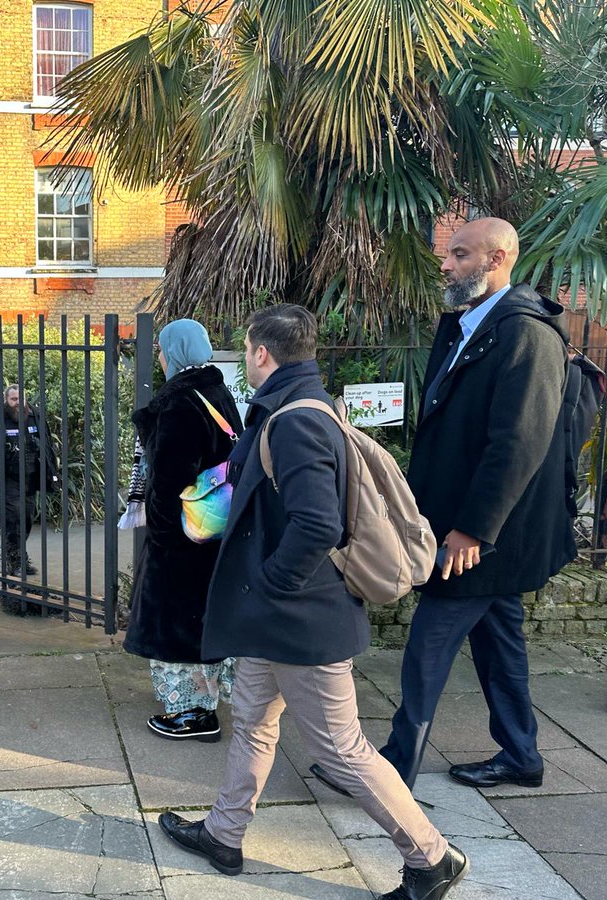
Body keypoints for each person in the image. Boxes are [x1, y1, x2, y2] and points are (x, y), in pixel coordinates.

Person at [159, 304, 468, 900]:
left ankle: (431, 857)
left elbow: (318, 524)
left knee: (342, 749)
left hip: (299, 620)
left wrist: (272, 584)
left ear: (260, 353)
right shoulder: (296, 405)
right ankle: (224, 834)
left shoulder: (297, 420)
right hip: (275, 620)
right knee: (252, 722)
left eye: (246, 349)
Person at [374, 217, 574, 791]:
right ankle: (522, 755)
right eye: (449, 254)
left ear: (497, 259)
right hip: (473, 530)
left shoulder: (526, 334)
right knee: (499, 643)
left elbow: (518, 443)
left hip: (481, 536)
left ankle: (391, 769)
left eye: (460, 254)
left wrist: (472, 530)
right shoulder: (469, 324)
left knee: (427, 646)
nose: (446, 264)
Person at [124, 319, 242, 742]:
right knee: (201, 621)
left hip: (182, 539)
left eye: (161, 348)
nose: (159, 356)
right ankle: (203, 704)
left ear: (174, 352)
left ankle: (193, 714)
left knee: (176, 625)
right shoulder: (215, 391)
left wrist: (160, 535)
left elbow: (169, 479)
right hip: (213, 531)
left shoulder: (178, 402)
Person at [0, 384, 59, 577]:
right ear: (6, 400)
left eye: (20, 399)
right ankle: (15, 561)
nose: (18, 403)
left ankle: (18, 556)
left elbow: (47, 445)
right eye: (13, 399)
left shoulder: (35, 416)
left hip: (31, 478)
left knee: (26, 518)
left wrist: (50, 472)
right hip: (8, 479)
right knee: (14, 517)